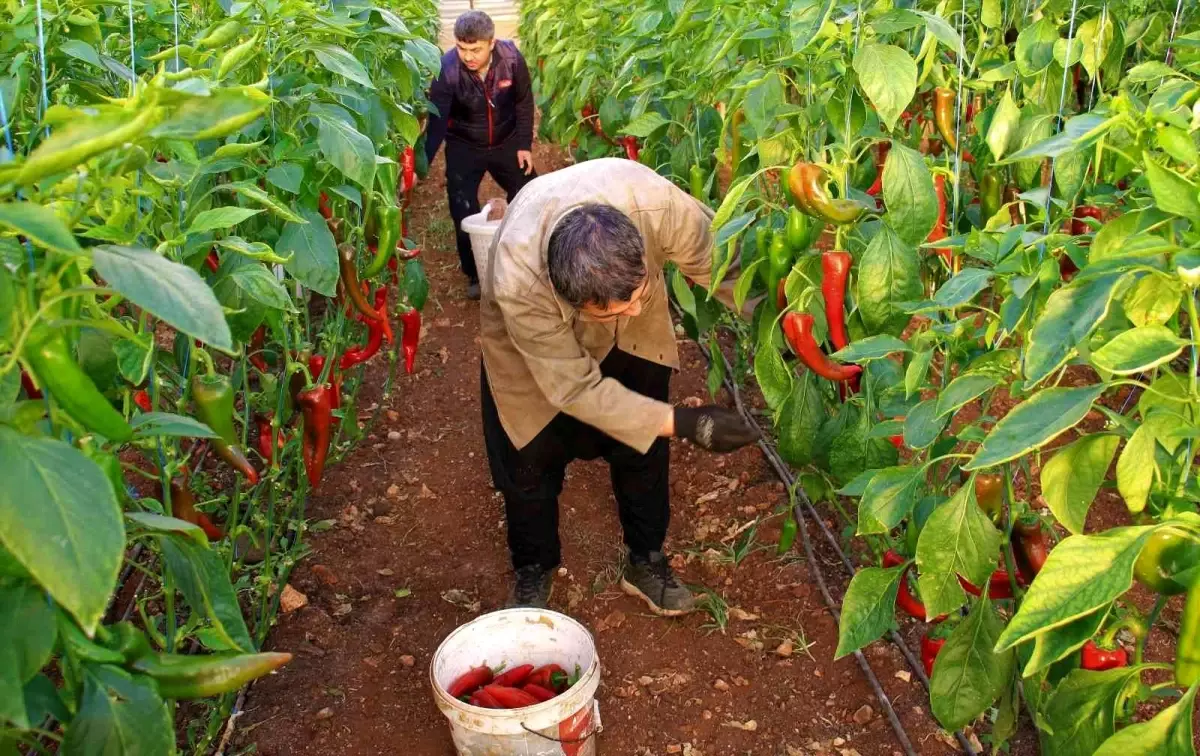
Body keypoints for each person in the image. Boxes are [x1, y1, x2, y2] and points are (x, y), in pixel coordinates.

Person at [479, 158, 761, 616]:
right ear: (570, 298)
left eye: (637, 297)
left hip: (624, 294)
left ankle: (646, 560)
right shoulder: (519, 282)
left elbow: (731, 268)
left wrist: (790, 326)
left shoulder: (658, 206)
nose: (630, 312)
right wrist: (686, 422)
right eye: (612, 311)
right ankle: (534, 567)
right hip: (529, 348)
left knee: (642, 444)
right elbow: (575, 389)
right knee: (529, 455)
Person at [425, 10, 536, 301]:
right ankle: (475, 272)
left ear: (491, 43)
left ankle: (532, 257)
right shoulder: (447, 70)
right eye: (462, 48)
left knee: (532, 194)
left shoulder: (511, 60)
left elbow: (524, 102)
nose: (468, 56)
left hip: (507, 141)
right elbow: (436, 124)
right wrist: (419, 167)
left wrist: (524, 144)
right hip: (465, 145)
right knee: (462, 208)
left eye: (475, 49)